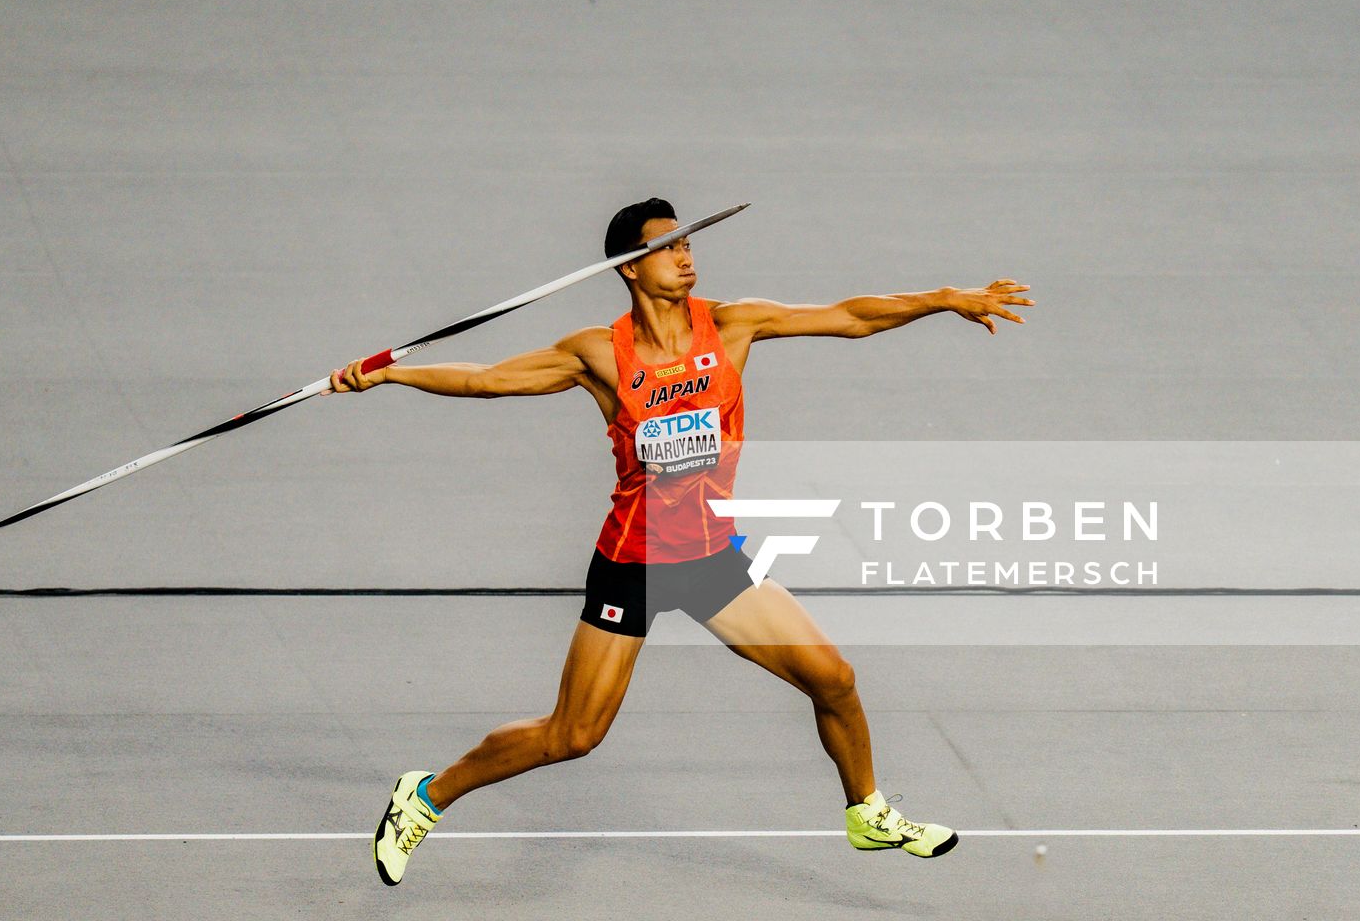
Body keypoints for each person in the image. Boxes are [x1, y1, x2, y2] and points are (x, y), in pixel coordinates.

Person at [325, 198, 1033, 885]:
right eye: (669, 247)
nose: (686, 256)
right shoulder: (599, 354)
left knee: (834, 679)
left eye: (689, 244)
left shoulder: (730, 326)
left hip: (709, 558)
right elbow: (485, 380)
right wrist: (389, 374)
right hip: (632, 563)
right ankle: (425, 796)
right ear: (631, 267)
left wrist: (946, 297)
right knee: (572, 735)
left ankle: (867, 811)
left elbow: (850, 316)